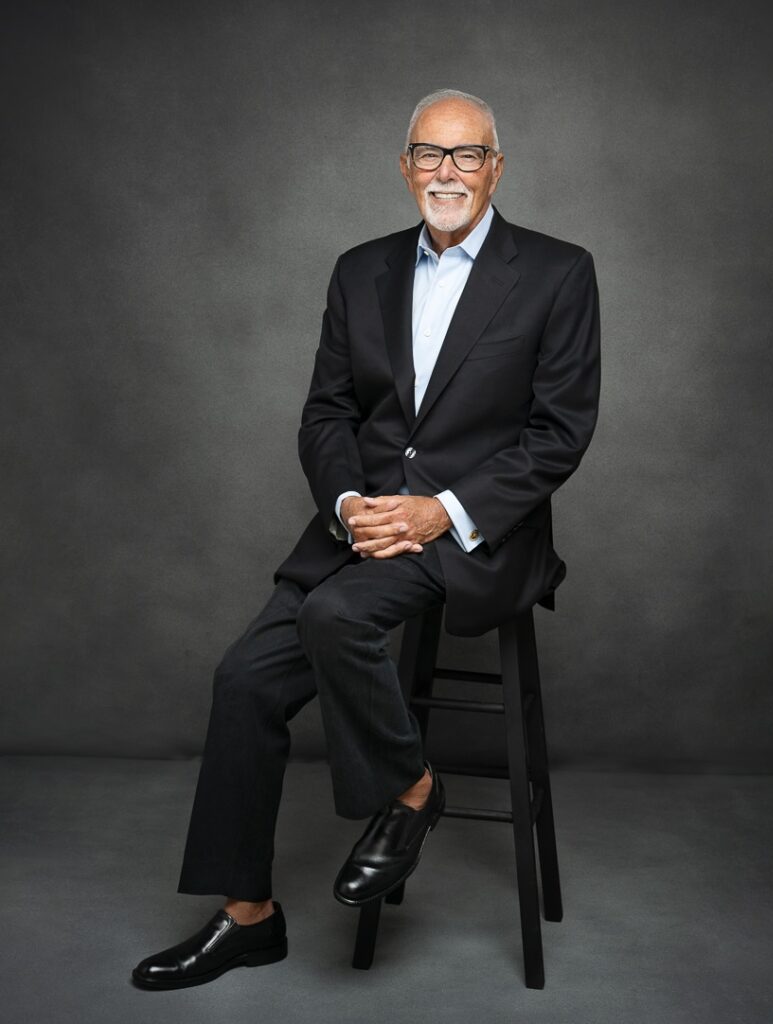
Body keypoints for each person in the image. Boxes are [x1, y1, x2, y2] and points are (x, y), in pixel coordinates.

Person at [131, 88, 601, 990]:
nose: (447, 172)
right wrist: (348, 503)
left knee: (336, 617)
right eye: (429, 154)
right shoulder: (360, 271)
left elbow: (560, 432)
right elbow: (327, 414)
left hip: (473, 534)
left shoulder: (558, 271)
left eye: (467, 155)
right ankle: (248, 916)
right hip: (361, 525)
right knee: (242, 680)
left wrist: (442, 512)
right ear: (405, 166)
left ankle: (411, 791)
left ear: (497, 167)